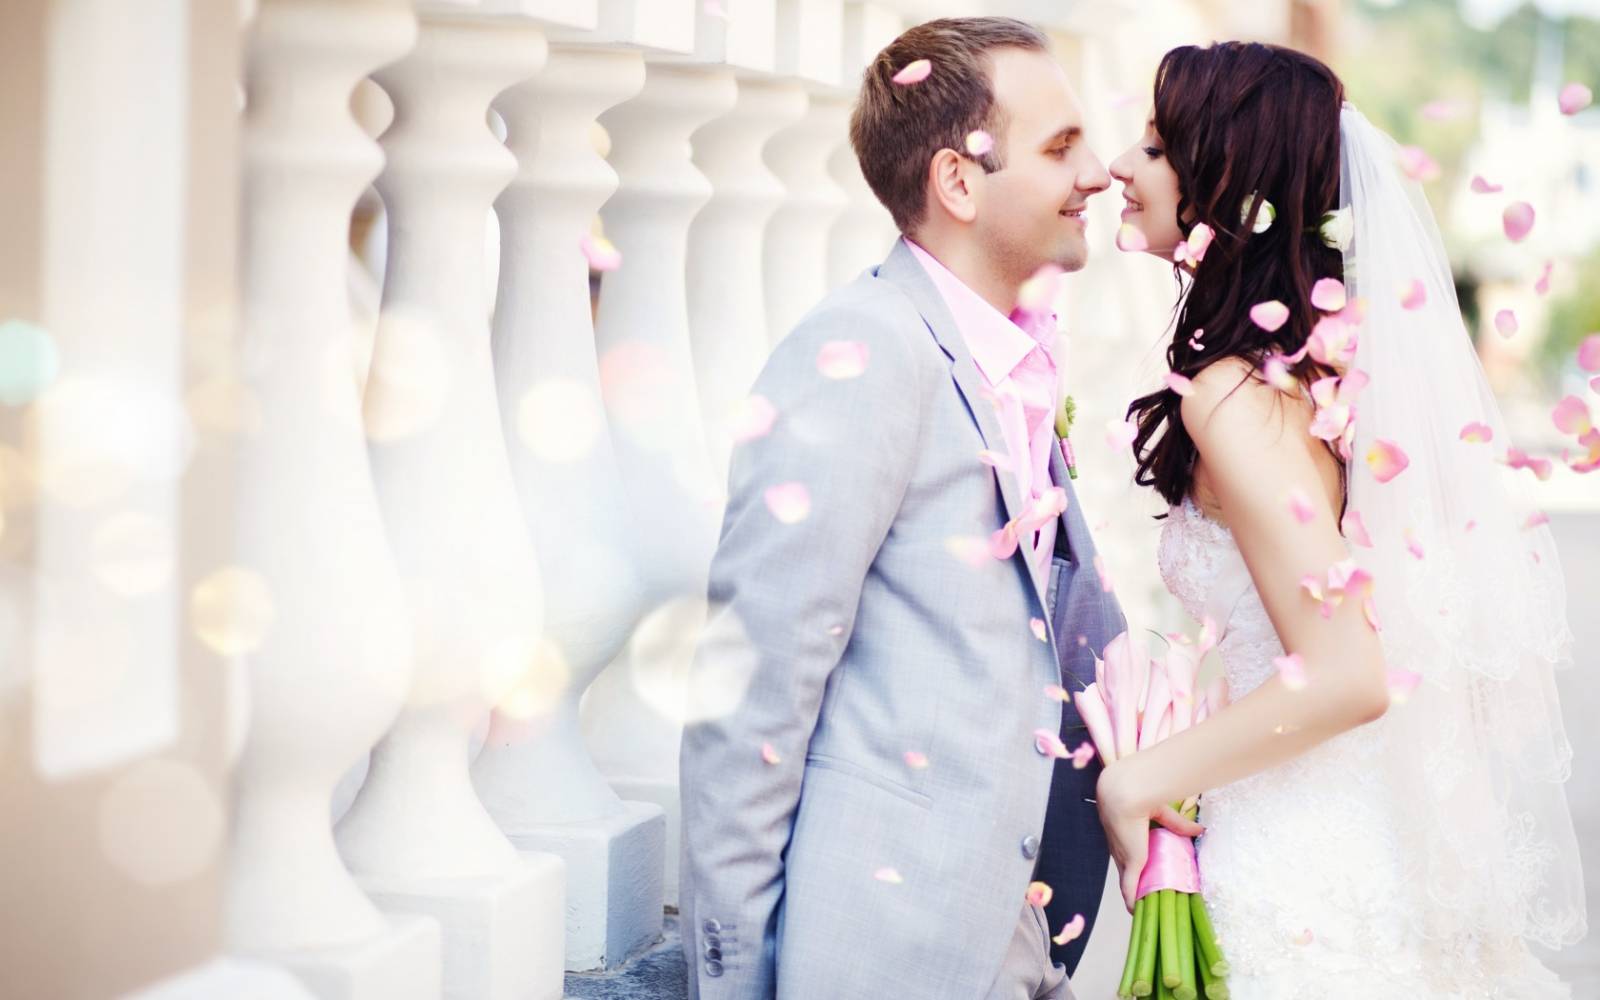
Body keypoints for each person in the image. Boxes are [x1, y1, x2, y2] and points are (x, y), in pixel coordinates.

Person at [678, 16, 1191, 1000]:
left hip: (1016, 934)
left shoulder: (1010, 359)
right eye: (1059, 147)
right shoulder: (865, 353)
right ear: (958, 181)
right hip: (887, 951)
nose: (1098, 174)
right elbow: (754, 692)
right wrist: (733, 984)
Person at [1101, 40, 1587, 998]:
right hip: (1350, 822)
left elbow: (1346, 673)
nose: (1120, 165)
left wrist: (1137, 777)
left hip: (1301, 866)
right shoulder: (1317, 374)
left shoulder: (1231, 395)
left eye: (1154, 149)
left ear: (1224, 181)